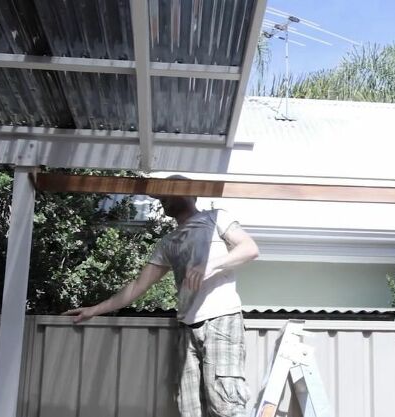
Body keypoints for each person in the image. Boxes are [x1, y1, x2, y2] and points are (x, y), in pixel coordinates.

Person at [62, 174, 260, 417]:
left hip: (221, 321)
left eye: (166, 193)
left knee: (226, 405)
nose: (161, 200)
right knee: (190, 409)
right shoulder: (168, 243)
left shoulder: (215, 217)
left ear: (186, 192)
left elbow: (250, 248)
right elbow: (137, 287)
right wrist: (93, 310)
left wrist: (212, 264)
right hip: (187, 328)